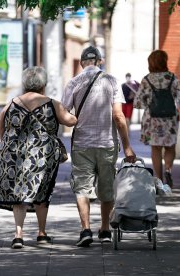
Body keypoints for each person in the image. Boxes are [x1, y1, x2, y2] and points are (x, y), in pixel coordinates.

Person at [0, 66, 77, 249]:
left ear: (25, 84)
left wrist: (7, 145)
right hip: (43, 155)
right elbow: (70, 121)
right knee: (43, 192)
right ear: (44, 84)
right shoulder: (51, 103)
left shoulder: (12, 103)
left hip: (15, 154)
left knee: (19, 193)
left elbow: (1, 125)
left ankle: (18, 235)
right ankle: (41, 233)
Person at [62, 46, 136, 247]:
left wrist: (74, 121)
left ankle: (85, 229)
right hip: (107, 144)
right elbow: (119, 116)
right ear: (100, 61)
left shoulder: (73, 82)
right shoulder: (112, 81)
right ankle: (104, 230)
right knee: (106, 188)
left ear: (81, 63)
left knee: (82, 188)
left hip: (82, 145)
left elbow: (64, 114)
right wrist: (127, 146)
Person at [134, 50, 180, 189]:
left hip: (152, 119)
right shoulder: (172, 78)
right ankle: (168, 170)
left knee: (156, 149)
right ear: (164, 61)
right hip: (170, 118)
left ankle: (158, 180)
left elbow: (137, 103)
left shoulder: (147, 80)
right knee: (170, 147)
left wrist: (149, 102)